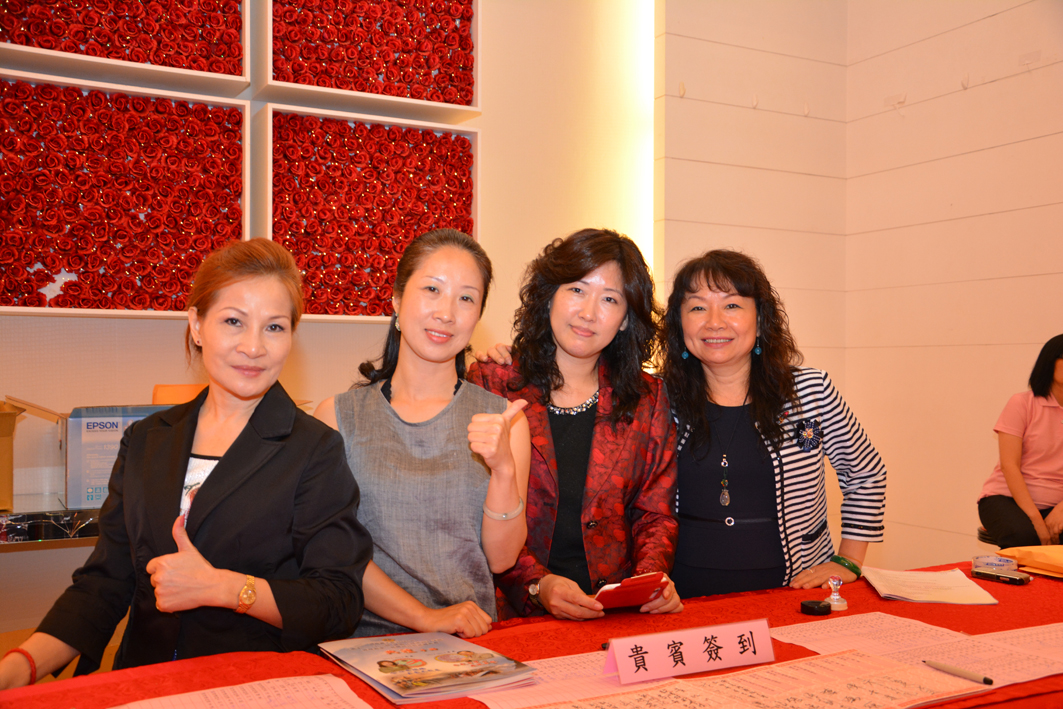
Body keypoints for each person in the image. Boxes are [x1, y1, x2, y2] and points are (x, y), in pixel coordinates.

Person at [0, 239, 372, 690]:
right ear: (197, 325)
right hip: (147, 681)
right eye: (233, 321)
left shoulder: (314, 449)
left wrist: (225, 588)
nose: (253, 346)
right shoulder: (146, 439)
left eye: (274, 327)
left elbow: (338, 601)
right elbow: (106, 582)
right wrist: (21, 666)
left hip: (253, 687)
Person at [315, 229, 530, 639]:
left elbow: (502, 560)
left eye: (466, 298)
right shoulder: (338, 417)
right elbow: (332, 551)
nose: (446, 313)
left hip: (470, 644)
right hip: (362, 644)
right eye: (432, 289)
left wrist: (503, 469)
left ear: (478, 316)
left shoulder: (505, 420)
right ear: (397, 300)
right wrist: (424, 617)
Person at [469, 228, 681, 621]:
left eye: (610, 299)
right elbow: (472, 512)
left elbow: (655, 513)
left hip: (615, 613)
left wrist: (648, 581)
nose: (588, 312)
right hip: (511, 616)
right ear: (550, 295)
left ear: (624, 319)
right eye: (577, 290)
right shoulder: (493, 382)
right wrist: (538, 585)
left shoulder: (648, 398)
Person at [659, 249, 886, 598]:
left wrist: (850, 560)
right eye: (697, 308)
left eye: (732, 305)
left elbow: (866, 473)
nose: (714, 322)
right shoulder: (659, 400)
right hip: (682, 599)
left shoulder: (810, 391)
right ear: (679, 323)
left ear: (761, 318)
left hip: (793, 594)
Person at [978, 334, 1063, 548]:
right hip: (1007, 498)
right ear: (1049, 362)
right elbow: (1010, 466)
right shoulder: (1022, 403)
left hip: (1059, 503)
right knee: (1025, 537)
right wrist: (1037, 521)